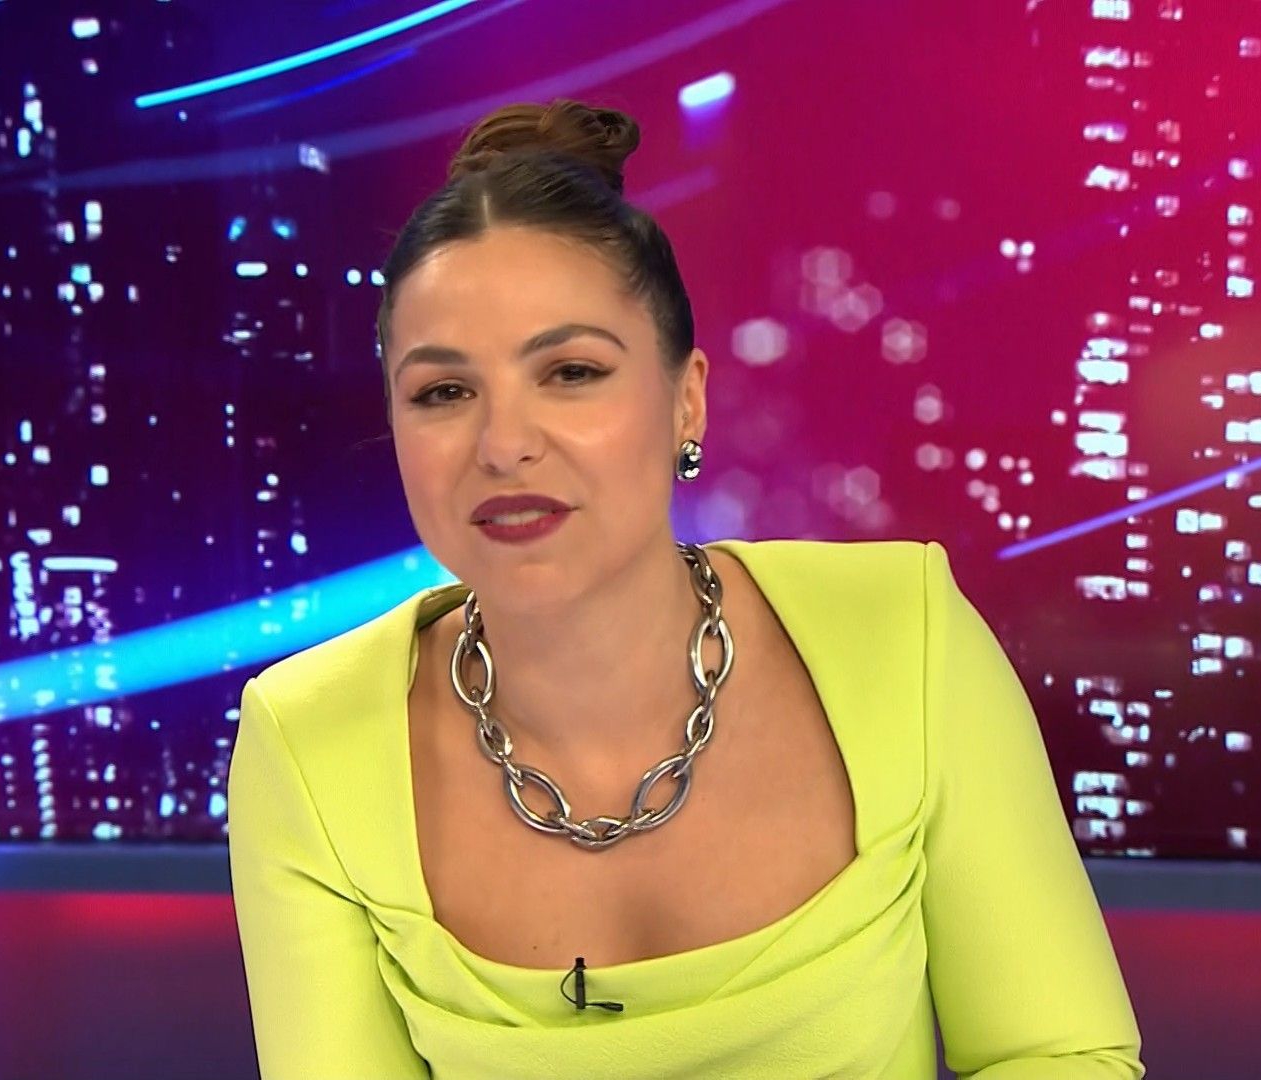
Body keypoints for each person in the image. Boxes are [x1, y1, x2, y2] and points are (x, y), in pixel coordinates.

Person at [227, 97, 1145, 1079]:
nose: (503, 444)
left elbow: (1063, 1056)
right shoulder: (309, 740)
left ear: (687, 400)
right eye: (443, 392)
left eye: (570, 372)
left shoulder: (905, 631)